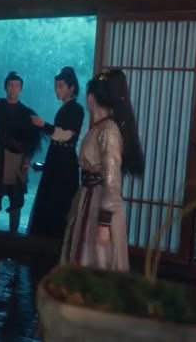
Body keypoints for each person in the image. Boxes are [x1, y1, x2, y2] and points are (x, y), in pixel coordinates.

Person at [60, 68, 144, 271]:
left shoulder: (108, 131)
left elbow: (112, 181)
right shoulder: (99, 128)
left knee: (97, 257)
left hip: (100, 202)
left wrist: (105, 223)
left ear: (91, 97)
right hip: (89, 197)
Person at [29, 67, 85, 239]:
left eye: (61, 86)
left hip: (65, 164)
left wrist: (43, 125)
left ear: (72, 88)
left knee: (60, 203)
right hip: (56, 160)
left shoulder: (77, 109)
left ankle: (56, 243)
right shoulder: (64, 109)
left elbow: (65, 135)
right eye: (56, 86)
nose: (57, 90)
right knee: (49, 202)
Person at [0, 72, 42, 232]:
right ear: (5, 87)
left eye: (17, 85)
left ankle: (14, 232)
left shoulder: (26, 112)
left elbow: (31, 140)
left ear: (21, 89)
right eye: (10, 85)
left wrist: (27, 158)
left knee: (16, 198)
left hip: (18, 160)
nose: (13, 88)